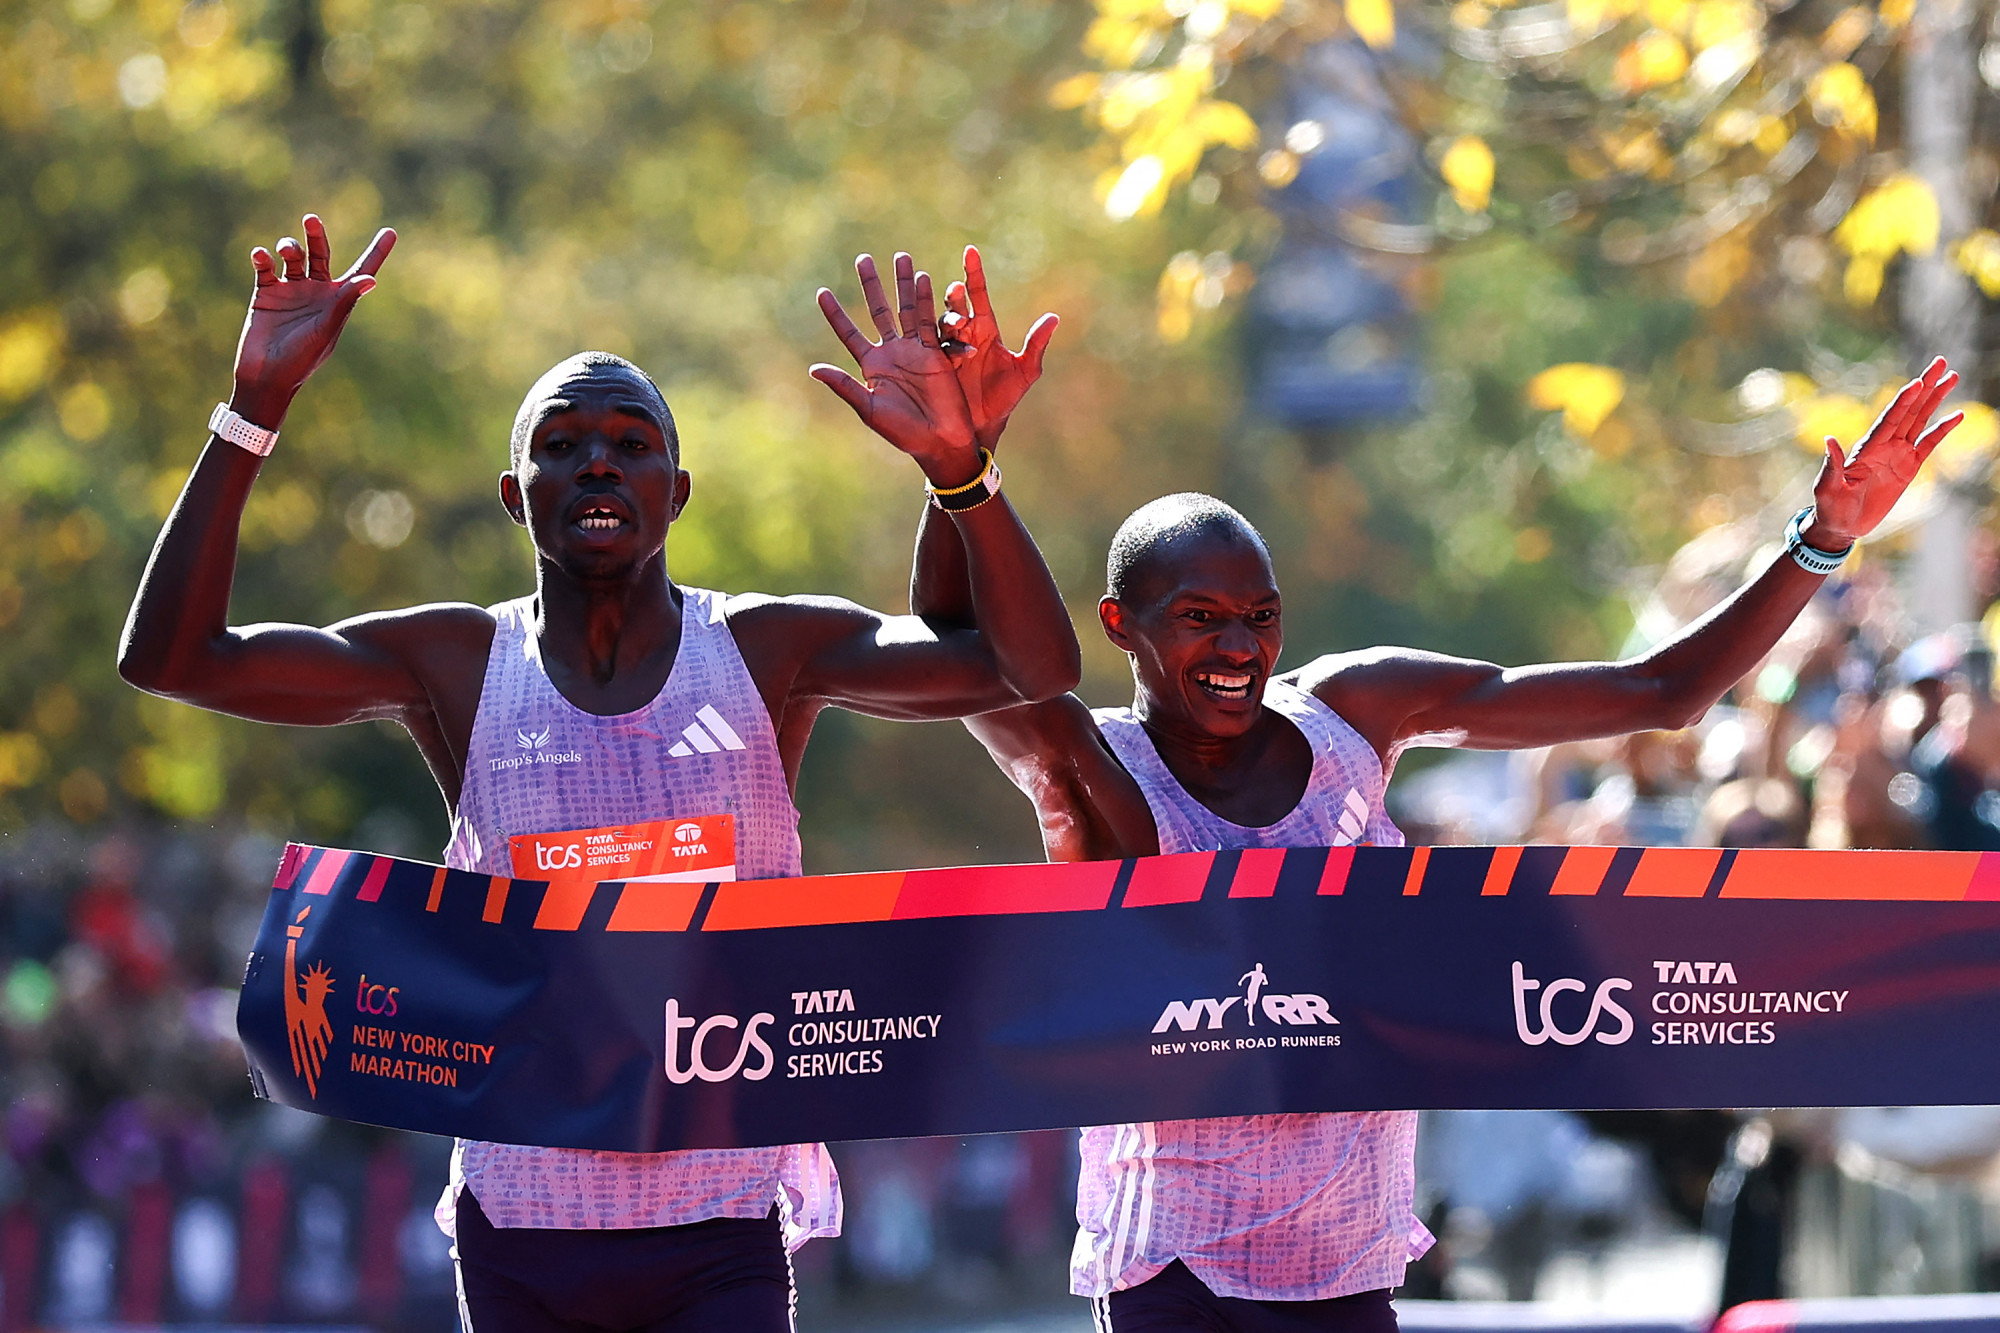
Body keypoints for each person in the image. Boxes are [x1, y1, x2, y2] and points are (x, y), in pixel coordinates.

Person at [916, 295, 1960, 1330]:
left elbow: (1657, 694)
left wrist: (1821, 539)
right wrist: (959, 471)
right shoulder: (1093, 771)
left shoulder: (1353, 717)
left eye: (1259, 617)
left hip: (1346, 1269)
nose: (1237, 647)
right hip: (1173, 1274)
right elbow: (964, 648)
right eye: (1197, 619)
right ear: (1120, 626)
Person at [117, 216, 1081, 1333]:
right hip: (524, 1221)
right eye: (563, 444)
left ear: (676, 491)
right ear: (515, 495)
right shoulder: (454, 664)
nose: (598, 462)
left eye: (631, 441)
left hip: (718, 1218)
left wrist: (958, 473)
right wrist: (255, 409)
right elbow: (173, 658)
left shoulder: (768, 654)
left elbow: (1028, 665)